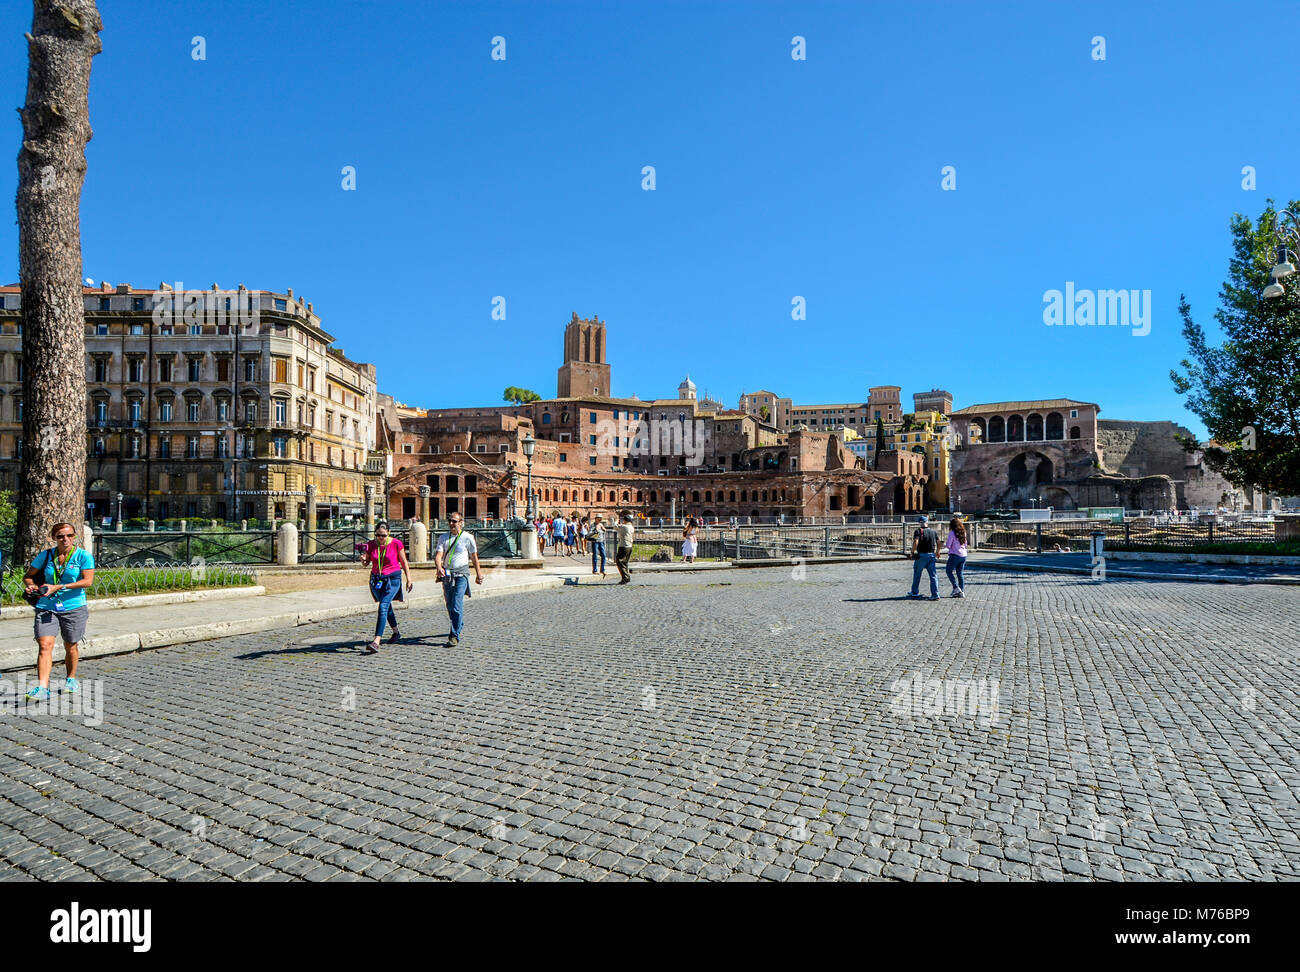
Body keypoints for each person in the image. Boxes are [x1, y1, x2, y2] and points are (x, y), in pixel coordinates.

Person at [22, 522, 95, 701]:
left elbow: (87, 582)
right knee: (45, 645)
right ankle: (42, 687)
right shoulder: (46, 555)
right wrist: (31, 586)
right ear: (53, 538)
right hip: (46, 606)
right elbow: (28, 576)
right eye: (61, 536)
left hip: (73, 607)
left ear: (74, 536)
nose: (66, 539)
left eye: (70, 535)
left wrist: (59, 586)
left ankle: (70, 678)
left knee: (71, 645)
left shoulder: (82, 556)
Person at [358, 521, 411, 653]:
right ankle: (396, 632)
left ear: (388, 533)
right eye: (378, 535)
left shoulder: (396, 543)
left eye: (383, 535)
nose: (380, 538)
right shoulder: (371, 544)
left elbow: (403, 562)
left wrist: (409, 578)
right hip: (377, 579)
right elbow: (367, 563)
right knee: (386, 607)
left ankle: (376, 640)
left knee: (383, 606)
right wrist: (363, 559)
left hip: (393, 579)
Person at [434, 513, 483, 646]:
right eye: (450, 521)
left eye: (454, 521)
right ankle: (458, 622)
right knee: (450, 605)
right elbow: (438, 555)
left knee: (456, 604)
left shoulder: (468, 538)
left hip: (462, 574)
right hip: (447, 575)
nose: (451, 523)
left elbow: (474, 557)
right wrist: (439, 567)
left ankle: (454, 635)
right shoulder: (444, 538)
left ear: (461, 522)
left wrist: (479, 574)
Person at [906, 514, 940, 601]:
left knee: (917, 575)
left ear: (919, 523)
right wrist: (938, 551)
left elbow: (915, 542)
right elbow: (939, 543)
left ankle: (915, 592)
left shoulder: (918, 531)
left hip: (921, 556)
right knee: (933, 576)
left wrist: (912, 552)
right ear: (927, 522)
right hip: (931, 555)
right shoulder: (933, 531)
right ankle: (935, 594)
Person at [944, 516, 968, 598]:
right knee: (960, 574)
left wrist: (942, 544)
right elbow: (965, 544)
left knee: (948, 571)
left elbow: (948, 545)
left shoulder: (952, 533)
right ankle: (961, 591)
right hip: (963, 555)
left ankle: (956, 587)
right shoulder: (963, 532)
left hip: (955, 554)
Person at [615, 512, 635, 584]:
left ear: (625, 520)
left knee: (619, 561)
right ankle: (627, 577)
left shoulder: (624, 527)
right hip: (629, 546)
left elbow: (614, 526)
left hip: (623, 546)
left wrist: (616, 521)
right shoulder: (631, 527)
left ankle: (625, 577)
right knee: (625, 562)